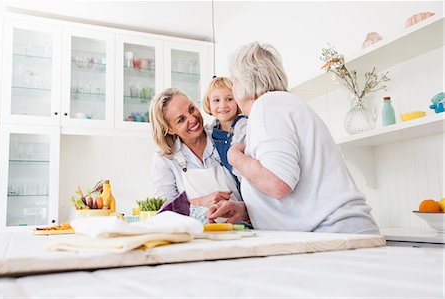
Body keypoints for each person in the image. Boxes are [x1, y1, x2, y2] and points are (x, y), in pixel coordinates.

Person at [208, 41, 380, 235]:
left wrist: (235, 157)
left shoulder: (267, 105)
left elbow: (277, 183)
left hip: (334, 234)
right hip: (337, 233)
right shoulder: (280, 105)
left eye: (234, 81)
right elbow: (293, 190)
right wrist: (247, 211)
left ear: (245, 82)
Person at [149, 88, 242, 223]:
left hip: (242, 230)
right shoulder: (165, 159)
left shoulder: (224, 137)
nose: (192, 119)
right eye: (181, 119)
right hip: (197, 236)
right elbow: (164, 213)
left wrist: (240, 208)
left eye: (191, 109)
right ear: (169, 129)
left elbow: (253, 192)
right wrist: (201, 202)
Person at [202, 76, 247, 188]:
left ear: (238, 100)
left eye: (229, 99)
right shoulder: (210, 132)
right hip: (228, 189)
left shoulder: (244, 127)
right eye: (216, 100)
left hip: (247, 185)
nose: (223, 105)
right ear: (209, 103)